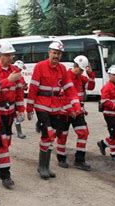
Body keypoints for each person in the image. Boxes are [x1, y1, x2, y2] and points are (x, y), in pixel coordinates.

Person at [26, 40, 78, 179]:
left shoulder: (62, 69)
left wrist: (75, 106)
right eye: (54, 52)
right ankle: (42, 167)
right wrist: (29, 107)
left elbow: (69, 89)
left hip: (56, 107)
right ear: (49, 52)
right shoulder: (40, 67)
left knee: (52, 135)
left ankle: (46, 166)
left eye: (59, 53)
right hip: (42, 105)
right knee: (48, 134)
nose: (56, 56)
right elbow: (33, 88)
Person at [0, 41, 25, 188]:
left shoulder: (14, 70)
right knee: (2, 143)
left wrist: (21, 110)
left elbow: (19, 92)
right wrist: (7, 81)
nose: (10, 58)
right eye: (7, 55)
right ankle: (5, 175)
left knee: (6, 141)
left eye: (11, 55)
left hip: (10, 112)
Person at [56, 55, 94, 170]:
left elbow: (91, 86)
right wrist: (71, 110)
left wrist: (91, 74)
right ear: (75, 66)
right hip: (64, 112)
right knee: (62, 135)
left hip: (78, 112)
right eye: (80, 70)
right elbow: (63, 97)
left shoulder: (81, 78)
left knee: (83, 133)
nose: (81, 72)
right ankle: (61, 157)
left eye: (83, 70)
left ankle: (79, 160)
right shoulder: (65, 77)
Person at [97, 65, 115, 162]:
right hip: (109, 114)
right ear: (110, 75)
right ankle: (114, 154)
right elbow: (104, 101)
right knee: (113, 134)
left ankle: (103, 143)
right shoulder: (107, 87)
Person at [13, 60, 28, 139]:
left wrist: (25, 86)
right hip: (13, 100)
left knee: (15, 116)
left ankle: (18, 132)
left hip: (18, 99)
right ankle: (19, 133)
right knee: (15, 117)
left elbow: (24, 87)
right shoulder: (11, 76)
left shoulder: (20, 77)